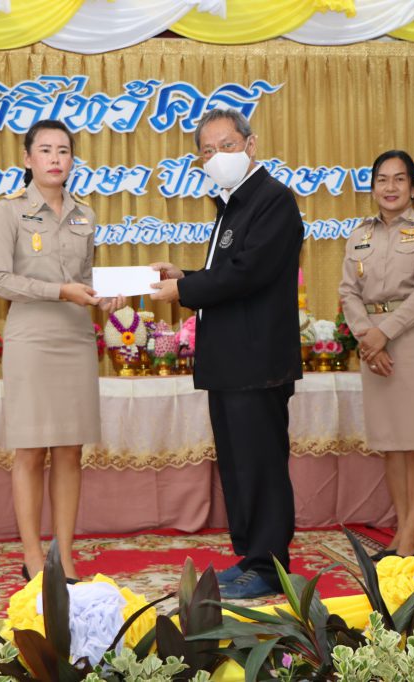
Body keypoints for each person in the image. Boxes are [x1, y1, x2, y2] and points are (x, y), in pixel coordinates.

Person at [150, 108, 303, 599]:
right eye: (208, 151)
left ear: (250, 145)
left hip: (257, 360)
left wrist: (184, 290)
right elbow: (227, 272)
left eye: (227, 146)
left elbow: (248, 274)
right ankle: (252, 557)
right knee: (238, 466)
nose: (218, 157)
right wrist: (185, 276)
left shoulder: (273, 200)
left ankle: (269, 565)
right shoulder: (233, 204)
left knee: (261, 465)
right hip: (230, 361)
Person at [0, 119, 123, 581]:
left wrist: (108, 295)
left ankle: (64, 555)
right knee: (30, 450)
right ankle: (32, 557)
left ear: (72, 159)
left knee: (69, 451)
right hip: (31, 338)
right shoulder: (9, 211)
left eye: (63, 150)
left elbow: (84, 279)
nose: (55, 158)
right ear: (28, 159)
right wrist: (59, 291)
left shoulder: (86, 214)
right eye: (45, 150)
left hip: (76, 338)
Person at [339, 150, 414, 559]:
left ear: (412, 188)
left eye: (399, 179)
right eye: (382, 180)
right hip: (373, 342)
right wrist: (366, 336)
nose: (390, 187)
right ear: (372, 186)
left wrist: (383, 333)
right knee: (392, 441)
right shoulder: (359, 233)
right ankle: (400, 531)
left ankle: (411, 534)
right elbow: (347, 291)